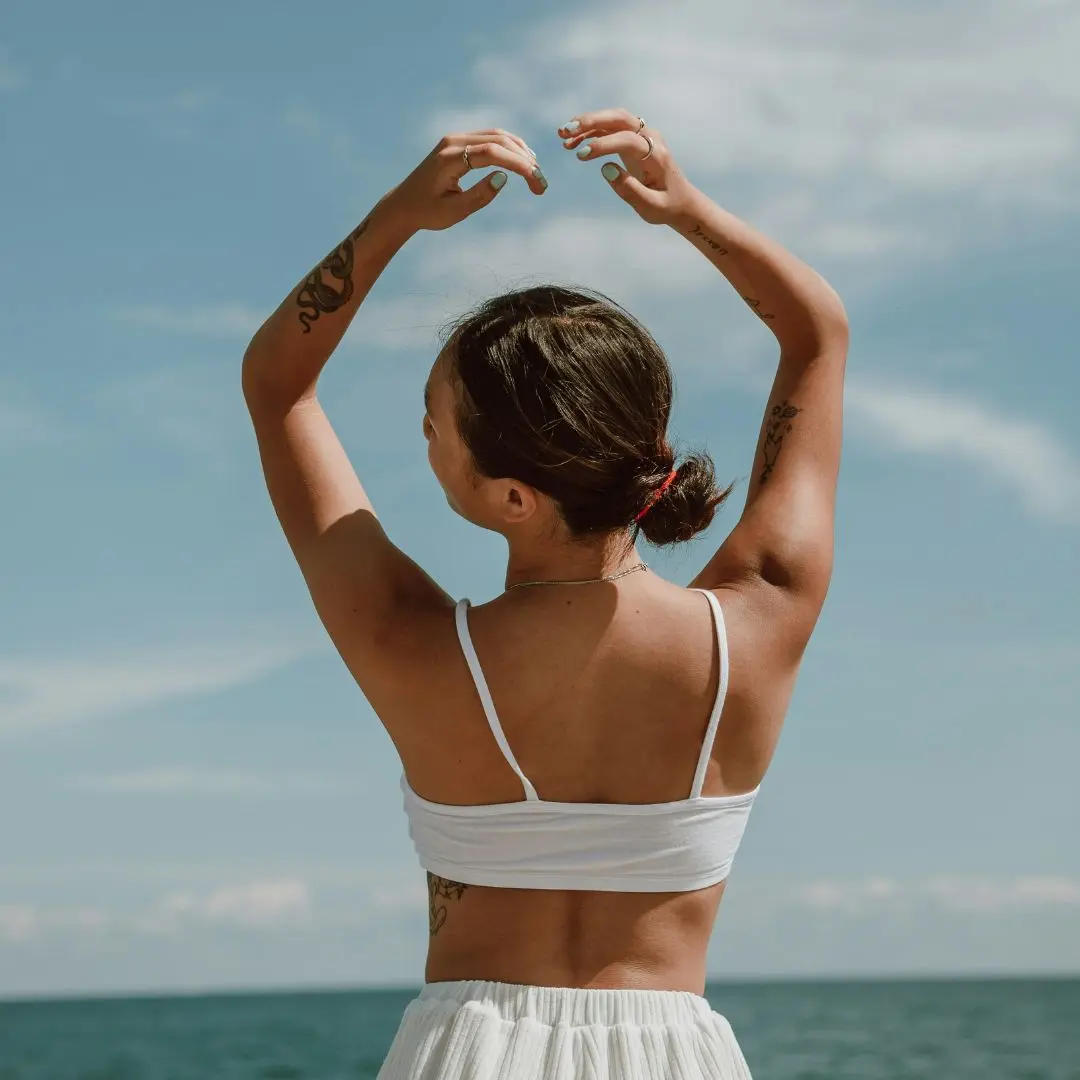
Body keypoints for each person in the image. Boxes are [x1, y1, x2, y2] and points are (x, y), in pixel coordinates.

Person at [242, 107, 848, 1080]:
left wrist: (398, 215)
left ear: (513, 497)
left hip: (466, 1051)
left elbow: (278, 384)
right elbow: (816, 335)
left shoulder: (409, 644)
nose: (426, 437)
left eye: (435, 422)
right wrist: (683, 208)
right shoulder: (761, 615)